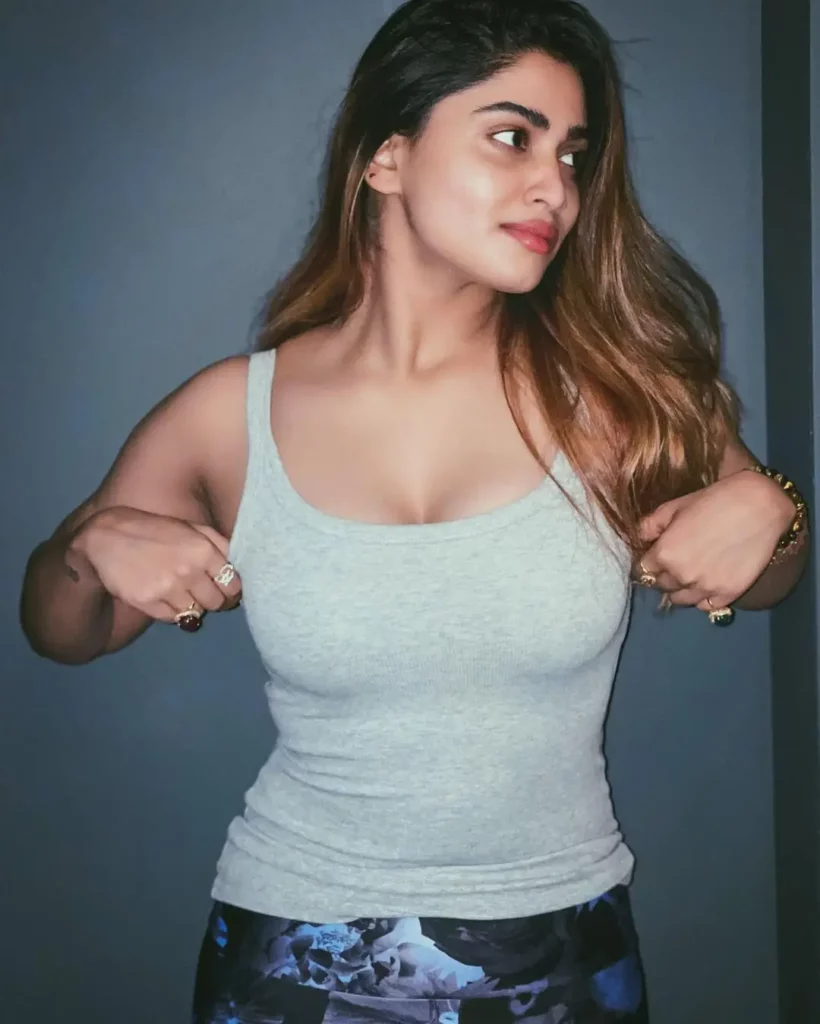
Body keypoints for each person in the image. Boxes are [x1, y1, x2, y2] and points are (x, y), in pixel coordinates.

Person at [19, 0, 810, 1021]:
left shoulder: (614, 401)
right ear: (386, 157)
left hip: (562, 954)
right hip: (292, 955)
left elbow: (772, 575)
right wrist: (86, 547)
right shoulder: (229, 415)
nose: (554, 185)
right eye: (513, 137)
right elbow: (62, 633)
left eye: (572, 155)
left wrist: (772, 506)